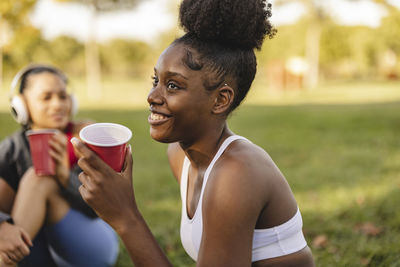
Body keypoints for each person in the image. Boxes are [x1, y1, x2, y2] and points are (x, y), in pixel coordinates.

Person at [72, 0, 315, 266]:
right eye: (156, 81)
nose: (152, 96)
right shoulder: (179, 155)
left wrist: (125, 218)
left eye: (173, 85)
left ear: (221, 100)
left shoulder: (238, 173)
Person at [0, 64, 119, 267]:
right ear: (21, 105)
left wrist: (64, 175)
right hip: (43, 253)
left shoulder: (85, 137)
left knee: (40, 177)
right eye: (46, 97)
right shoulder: (11, 148)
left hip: (93, 245)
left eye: (63, 96)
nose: (57, 105)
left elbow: (103, 208)